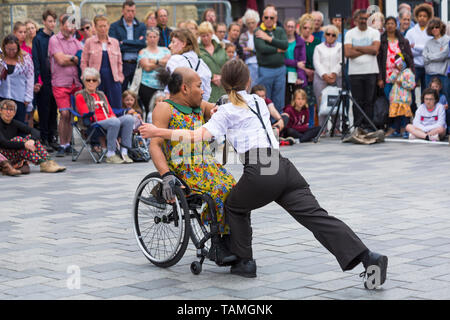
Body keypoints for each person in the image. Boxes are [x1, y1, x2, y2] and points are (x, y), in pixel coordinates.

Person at [139, 59, 388, 288]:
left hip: (261, 170)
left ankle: (244, 262)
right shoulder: (258, 101)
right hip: (284, 168)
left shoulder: (226, 110)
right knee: (316, 217)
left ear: (221, 83)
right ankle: (368, 257)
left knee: (233, 205)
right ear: (248, 82)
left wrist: (157, 131)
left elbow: (196, 136)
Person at [141, 67, 238, 265]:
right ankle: (217, 242)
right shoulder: (164, 108)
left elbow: (214, 108)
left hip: (206, 164)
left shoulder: (200, 105)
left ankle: (229, 236)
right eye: (199, 86)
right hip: (183, 168)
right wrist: (166, 175)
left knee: (234, 187)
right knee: (217, 190)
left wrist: (223, 106)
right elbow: (155, 145)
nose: (203, 90)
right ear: (185, 88)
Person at [75, 68, 134, 164]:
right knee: (114, 121)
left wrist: (112, 116)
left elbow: (110, 111)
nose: (91, 82)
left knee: (129, 119)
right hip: (93, 123)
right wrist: (96, 109)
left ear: (98, 82)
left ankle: (124, 151)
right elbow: (84, 113)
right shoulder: (80, 95)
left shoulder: (101, 94)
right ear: (84, 81)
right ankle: (110, 154)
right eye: (88, 80)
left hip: (109, 121)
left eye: (94, 80)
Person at [48, 13, 83, 157]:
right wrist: (74, 58)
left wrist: (73, 58)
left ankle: (68, 144)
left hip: (75, 82)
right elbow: (60, 60)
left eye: (73, 25)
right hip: (60, 83)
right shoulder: (54, 40)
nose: (71, 28)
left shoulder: (76, 42)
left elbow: (81, 59)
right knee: (64, 113)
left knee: (71, 116)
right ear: (61, 25)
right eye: (68, 25)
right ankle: (62, 144)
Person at [0, 99, 65, 173]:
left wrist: (32, 140)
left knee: (30, 139)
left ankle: (49, 161)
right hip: (3, 156)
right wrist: (24, 144)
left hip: (14, 153)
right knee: (18, 140)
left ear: (14, 113)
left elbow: (35, 131)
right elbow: (3, 143)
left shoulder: (14, 123)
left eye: (11, 110)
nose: (8, 112)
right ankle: (42, 163)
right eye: (6, 109)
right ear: (0, 111)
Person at [345, 9, 380, 130]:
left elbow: (375, 50)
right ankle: (358, 125)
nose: (364, 21)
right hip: (355, 72)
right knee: (357, 101)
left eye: (366, 18)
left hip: (371, 71)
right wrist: (367, 49)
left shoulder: (374, 33)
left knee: (369, 100)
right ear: (356, 20)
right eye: (362, 19)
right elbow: (348, 52)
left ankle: (368, 125)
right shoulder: (350, 33)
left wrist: (358, 48)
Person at [82, 15, 124, 114]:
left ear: (108, 26)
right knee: (97, 106)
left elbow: (119, 62)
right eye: (100, 26)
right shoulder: (89, 42)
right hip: (96, 79)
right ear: (95, 28)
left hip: (113, 79)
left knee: (115, 107)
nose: (103, 29)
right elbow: (84, 61)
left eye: (105, 26)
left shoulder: (115, 42)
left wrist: (120, 77)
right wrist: (85, 78)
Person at [32, 9, 58, 152]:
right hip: (44, 79)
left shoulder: (55, 38)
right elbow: (36, 60)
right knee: (44, 109)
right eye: (49, 21)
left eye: (54, 21)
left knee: (54, 109)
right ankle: (44, 138)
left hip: (55, 79)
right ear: (44, 22)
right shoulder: (38, 39)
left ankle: (53, 137)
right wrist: (38, 79)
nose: (52, 24)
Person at [254, 6, 288, 113]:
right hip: (265, 70)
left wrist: (268, 38)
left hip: (280, 70)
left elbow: (285, 45)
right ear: (262, 18)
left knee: (279, 100)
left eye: (271, 18)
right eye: (266, 17)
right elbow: (262, 48)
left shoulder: (280, 30)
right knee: (264, 99)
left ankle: (278, 124)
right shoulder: (258, 31)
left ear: (276, 19)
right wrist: (277, 49)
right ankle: (266, 124)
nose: (269, 20)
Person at [109, 0, 147, 92]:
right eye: (128, 11)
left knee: (137, 92)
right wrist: (136, 43)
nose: (130, 13)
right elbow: (116, 46)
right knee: (121, 91)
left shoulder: (141, 26)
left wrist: (124, 42)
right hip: (122, 64)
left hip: (138, 65)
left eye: (132, 11)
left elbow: (143, 44)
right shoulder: (114, 26)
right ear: (123, 11)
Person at [166, 28, 212, 102]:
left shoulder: (175, 60)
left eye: (173, 42)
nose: (169, 45)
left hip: (178, 108)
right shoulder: (203, 64)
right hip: (198, 109)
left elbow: (168, 91)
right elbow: (206, 94)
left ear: (184, 44)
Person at [312, 24, 342, 129]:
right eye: (328, 34)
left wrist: (334, 73)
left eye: (333, 35)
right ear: (325, 35)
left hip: (336, 77)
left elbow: (341, 61)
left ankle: (336, 127)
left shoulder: (340, 46)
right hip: (321, 78)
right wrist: (324, 75)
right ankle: (322, 128)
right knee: (321, 103)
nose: (330, 36)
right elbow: (316, 62)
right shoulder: (318, 47)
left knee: (335, 101)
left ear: (336, 36)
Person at [377, 16, 414, 99]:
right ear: (385, 26)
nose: (390, 25)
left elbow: (410, 59)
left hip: (401, 76)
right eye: (388, 24)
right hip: (386, 77)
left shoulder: (403, 41)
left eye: (392, 23)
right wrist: (379, 78)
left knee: (401, 101)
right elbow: (378, 61)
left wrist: (411, 73)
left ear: (396, 25)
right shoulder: (381, 42)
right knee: (388, 100)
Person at [405, 3, 434, 111]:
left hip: (428, 66)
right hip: (415, 66)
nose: (422, 18)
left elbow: (431, 50)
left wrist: (416, 47)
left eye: (424, 16)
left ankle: (424, 111)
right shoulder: (410, 32)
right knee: (410, 89)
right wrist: (423, 50)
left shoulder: (431, 32)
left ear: (428, 17)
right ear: (416, 17)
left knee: (426, 91)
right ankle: (413, 110)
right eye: (420, 16)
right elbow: (408, 51)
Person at [0, 34, 34, 124]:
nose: (11, 52)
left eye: (14, 49)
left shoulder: (25, 59)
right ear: (4, 47)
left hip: (19, 98)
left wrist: (28, 98)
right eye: (9, 49)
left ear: (18, 48)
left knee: (18, 125)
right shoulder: (1, 58)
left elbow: (30, 78)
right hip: (2, 96)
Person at [137, 27, 171, 116]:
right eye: (150, 37)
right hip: (147, 85)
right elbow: (147, 67)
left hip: (163, 85)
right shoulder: (142, 52)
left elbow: (167, 63)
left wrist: (154, 61)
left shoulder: (165, 50)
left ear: (158, 38)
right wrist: (161, 62)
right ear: (147, 38)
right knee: (150, 110)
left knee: (164, 111)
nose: (152, 39)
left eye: (154, 37)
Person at [297, 14, 321, 126]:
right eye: (305, 28)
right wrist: (305, 70)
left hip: (314, 74)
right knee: (300, 101)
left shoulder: (316, 41)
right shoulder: (297, 41)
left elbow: (320, 59)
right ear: (301, 28)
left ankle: (311, 125)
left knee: (312, 102)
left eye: (310, 28)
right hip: (300, 74)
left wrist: (314, 72)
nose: (307, 30)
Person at [385, 54, 415, 138]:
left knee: (404, 116)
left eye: (401, 62)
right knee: (397, 116)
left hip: (404, 99)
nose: (399, 65)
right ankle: (397, 131)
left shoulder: (408, 72)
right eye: (397, 63)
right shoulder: (396, 72)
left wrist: (402, 83)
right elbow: (390, 80)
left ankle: (406, 130)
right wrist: (395, 72)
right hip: (395, 99)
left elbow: (412, 85)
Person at [198, 22, 228, 103]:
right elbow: (197, 68)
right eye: (203, 36)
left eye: (207, 35)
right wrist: (211, 76)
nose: (205, 38)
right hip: (206, 86)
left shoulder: (220, 47)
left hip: (222, 85)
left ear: (212, 34)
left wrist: (223, 77)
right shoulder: (198, 50)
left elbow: (227, 64)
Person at [423, 18, 449, 98]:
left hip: (443, 75)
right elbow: (424, 58)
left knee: (446, 97)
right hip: (430, 75)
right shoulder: (428, 43)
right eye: (432, 27)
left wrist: (430, 56)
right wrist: (438, 55)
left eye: (437, 27)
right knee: (430, 98)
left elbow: (444, 55)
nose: (434, 29)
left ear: (441, 28)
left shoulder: (447, 40)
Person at [284, 18, 307, 107]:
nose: (290, 29)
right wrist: (295, 63)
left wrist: (299, 76)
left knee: (297, 101)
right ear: (285, 27)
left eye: (292, 27)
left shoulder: (300, 41)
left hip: (296, 74)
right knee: (286, 100)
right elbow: (281, 60)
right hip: (284, 73)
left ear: (295, 28)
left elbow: (302, 61)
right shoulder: (282, 41)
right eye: (288, 26)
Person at [239, 9, 260, 87]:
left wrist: (251, 50)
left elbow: (263, 51)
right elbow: (242, 51)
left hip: (261, 64)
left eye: (253, 23)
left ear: (257, 22)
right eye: (249, 23)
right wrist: (256, 51)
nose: (251, 25)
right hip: (249, 64)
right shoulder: (243, 35)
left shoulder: (261, 34)